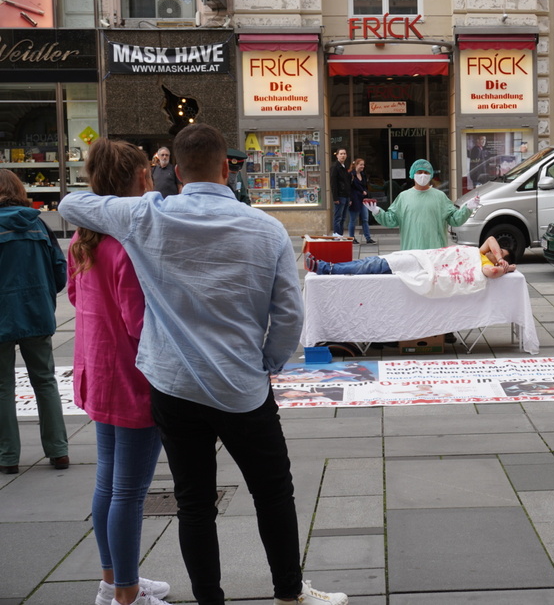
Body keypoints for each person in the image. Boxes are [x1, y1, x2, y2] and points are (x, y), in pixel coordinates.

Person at [59, 124, 348, 605]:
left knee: (195, 503)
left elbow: (71, 204)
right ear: (226, 167)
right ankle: (289, 593)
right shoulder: (266, 228)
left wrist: (142, 198)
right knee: (273, 492)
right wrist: (269, 362)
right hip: (240, 384)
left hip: (173, 386)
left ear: (175, 170)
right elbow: (289, 313)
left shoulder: (147, 215)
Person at [67, 139, 171, 605]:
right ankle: (127, 593)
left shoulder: (82, 239)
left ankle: (113, 581)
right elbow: (139, 321)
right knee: (129, 491)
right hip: (132, 379)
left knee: (108, 482)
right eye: (146, 171)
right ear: (136, 178)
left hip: (97, 370)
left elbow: (74, 297)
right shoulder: (126, 244)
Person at [0, 169, 69, 476]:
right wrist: (42, 295)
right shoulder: (38, 225)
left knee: (2, 387)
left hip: (2, 315)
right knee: (45, 381)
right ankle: (58, 451)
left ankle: (8, 456)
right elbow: (59, 270)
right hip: (37, 313)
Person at [305, 236, 515, 297]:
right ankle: (327, 267)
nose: (495, 254)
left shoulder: (484, 266)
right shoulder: (479, 252)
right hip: (422, 258)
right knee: (372, 263)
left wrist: (507, 267)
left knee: (373, 265)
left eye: (501, 255)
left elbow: (493, 272)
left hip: (425, 269)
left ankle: (325, 267)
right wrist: (499, 254)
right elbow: (491, 239)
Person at [367, 159, 478, 251]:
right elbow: (391, 220)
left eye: (426, 172)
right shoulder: (404, 197)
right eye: (419, 172)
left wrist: (467, 209)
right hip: (411, 251)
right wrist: (377, 211)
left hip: (436, 251)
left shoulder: (440, 197)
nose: (423, 175)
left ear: (431, 175)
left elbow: (455, 220)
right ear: (413, 174)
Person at [347, 158, 374, 244]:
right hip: (354, 199)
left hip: (363, 199)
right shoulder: (351, 175)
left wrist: (365, 191)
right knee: (353, 220)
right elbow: (348, 188)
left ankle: (368, 238)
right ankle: (351, 238)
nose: (363, 166)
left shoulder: (363, 174)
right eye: (361, 164)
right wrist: (350, 199)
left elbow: (365, 185)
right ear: (356, 165)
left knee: (365, 219)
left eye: (363, 165)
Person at [331, 147, 350, 236]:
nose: (343, 155)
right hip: (340, 196)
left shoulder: (344, 167)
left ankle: (340, 235)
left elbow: (347, 183)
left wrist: (349, 197)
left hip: (346, 196)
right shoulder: (335, 167)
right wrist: (335, 197)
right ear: (337, 155)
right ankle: (336, 235)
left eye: (344, 154)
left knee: (343, 218)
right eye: (341, 154)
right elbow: (333, 183)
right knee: (338, 217)